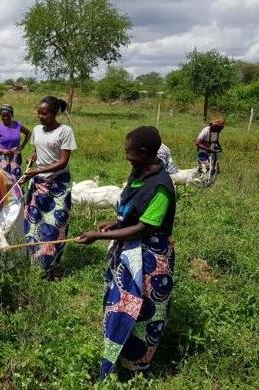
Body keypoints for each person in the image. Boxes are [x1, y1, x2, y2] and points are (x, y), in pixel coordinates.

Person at [76, 126, 176, 379]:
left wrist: (98, 236)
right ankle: (116, 350)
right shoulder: (138, 173)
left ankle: (136, 368)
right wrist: (116, 223)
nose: (126, 156)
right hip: (128, 252)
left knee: (144, 311)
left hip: (150, 259)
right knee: (120, 304)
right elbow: (131, 214)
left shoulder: (162, 187)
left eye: (129, 152)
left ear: (143, 153)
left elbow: (144, 227)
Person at [22, 96, 77, 279]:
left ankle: (54, 266)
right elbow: (37, 152)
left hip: (58, 187)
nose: (40, 116)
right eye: (38, 112)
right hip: (37, 186)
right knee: (32, 226)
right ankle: (36, 265)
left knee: (55, 226)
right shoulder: (37, 130)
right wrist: (31, 162)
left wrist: (37, 171)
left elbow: (62, 162)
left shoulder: (65, 131)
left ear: (54, 114)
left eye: (44, 113)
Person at [0, 104, 31, 180]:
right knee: (3, 178)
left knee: (16, 177)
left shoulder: (17, 125)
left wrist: (23, 146)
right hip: (2, 156)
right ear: (0, 115)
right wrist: (2, 150)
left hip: (15, 156)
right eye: (3, 115)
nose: (5, 118)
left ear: (12, 115)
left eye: (8, 115)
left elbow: (28, 133)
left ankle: (16, 191)